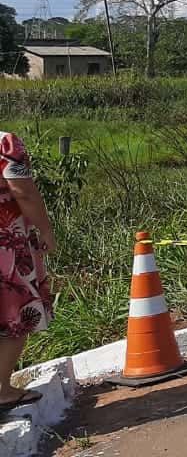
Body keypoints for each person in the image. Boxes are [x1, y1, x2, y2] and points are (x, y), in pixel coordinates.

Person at [0, 131, 55, 413]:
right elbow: (22, 191)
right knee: (14, 314)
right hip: (6, 244)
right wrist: (45, 228)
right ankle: (2, 390)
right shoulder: (5, 143)